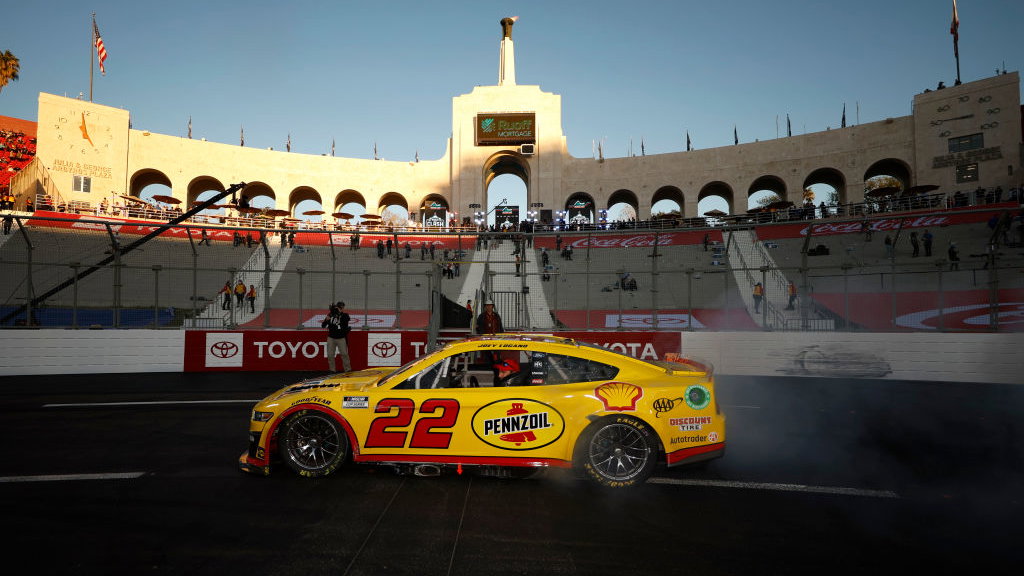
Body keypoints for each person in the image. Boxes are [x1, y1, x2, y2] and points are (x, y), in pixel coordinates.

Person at [321, 301, 352, 372]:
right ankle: (332, 370)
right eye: (339, 308)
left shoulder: (345, 315)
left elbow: (345, 324)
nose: (340, 309)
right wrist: (326, 320)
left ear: (343, 308)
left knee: (344, 354)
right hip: (331, 338)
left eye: (341, 308)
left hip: (341, 338)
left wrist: (338, 315)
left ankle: (348, 369)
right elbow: (323, 325)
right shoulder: (330, 314)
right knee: (330, 355)